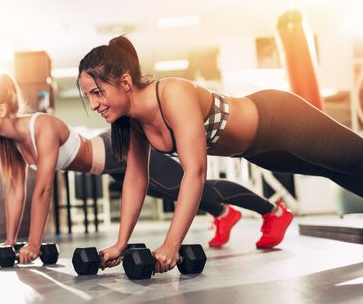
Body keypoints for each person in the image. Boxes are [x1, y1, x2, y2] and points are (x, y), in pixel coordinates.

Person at [77, 35, 363, 274]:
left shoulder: (172, 93)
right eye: (89, 96)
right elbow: (136, 179)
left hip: (280, 119)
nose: (94, 104)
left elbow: (196, 172)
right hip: (258, 151)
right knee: (333, 170)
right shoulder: (134, 124)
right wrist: (120, 243)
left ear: (125, 82)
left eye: (98, 92)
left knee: (356, 160)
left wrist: (171, 244)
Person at [0, 74, 290, 265]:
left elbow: (43, 189)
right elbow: (15, 191)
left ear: (2, 108)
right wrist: (10, 244)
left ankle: (272, 211)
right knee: (176, 189)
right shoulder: (10, 144)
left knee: (188, 187)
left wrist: (33, 245)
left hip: (115, 152)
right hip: (112, 169)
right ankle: (223, 213)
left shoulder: (43, 127)